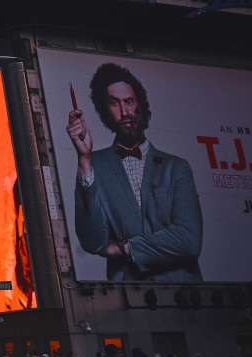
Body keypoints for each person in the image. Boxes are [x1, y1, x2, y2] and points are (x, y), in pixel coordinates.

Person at [68, 62, 202, 281]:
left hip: (185, 296)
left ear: (140, 103)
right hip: (129, 297)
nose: (125, 112)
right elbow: (94, 242)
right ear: (104, 111)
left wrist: (124, 248)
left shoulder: (176, 167)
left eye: (129, 101)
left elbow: (189, 240)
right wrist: (84, 158)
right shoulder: (94, 164)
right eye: (114, 103)